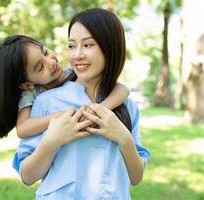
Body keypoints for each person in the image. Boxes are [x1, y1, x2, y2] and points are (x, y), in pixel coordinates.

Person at [13, 8, 151, 199]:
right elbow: (27, 176)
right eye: (71, 46)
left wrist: (124, 138)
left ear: (110, 46)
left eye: (87, 45)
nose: (77, 55)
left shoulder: (127, 106)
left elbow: (136, 177)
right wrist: (53, 140)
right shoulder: (48, 101)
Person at [0, 35, 130, 142]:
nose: (50, 62)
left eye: (45, 52)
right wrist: (62, 115)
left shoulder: (75, 73)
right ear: (27, 84)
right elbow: (22, 128)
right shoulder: (32, 93)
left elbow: (122, 90)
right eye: (40, 67)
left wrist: (96, 111)